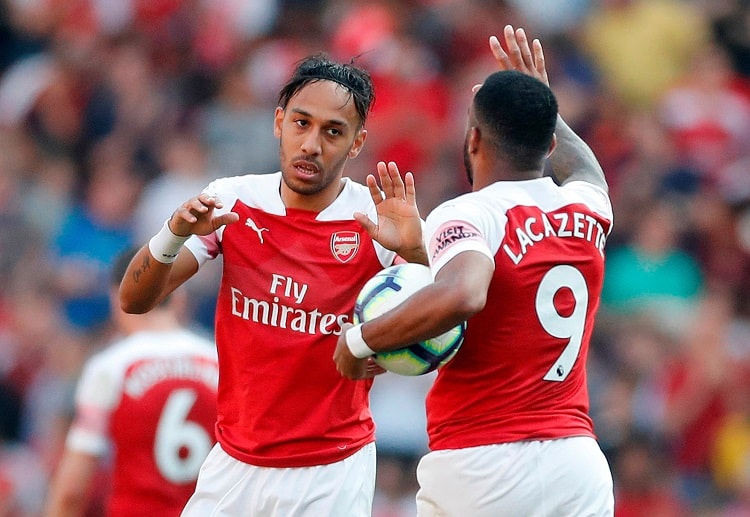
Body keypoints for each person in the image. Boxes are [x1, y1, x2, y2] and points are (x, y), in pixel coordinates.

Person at [118, 53, 425, 516]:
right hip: (233, 462)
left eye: (333, 132)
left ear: (357, 143)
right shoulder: (233, 200)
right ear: (279, 122)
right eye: (302, 123)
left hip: (331, 469)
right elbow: (134, 300)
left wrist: (415, 258)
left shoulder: (376, 221)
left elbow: (444, 320)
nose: (312, 144)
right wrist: (173, 233)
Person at [334, 25, 615, 516]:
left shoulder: (469, 212)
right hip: (577, 463)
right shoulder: (589, 208)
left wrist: (360, 340)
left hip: (483, 460)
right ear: (550, 143)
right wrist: (543, 103)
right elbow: (586, 170)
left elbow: (465, 294)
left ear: (474, 139)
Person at [44, 247, 219, 517]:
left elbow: (71, 491)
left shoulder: (110, 367)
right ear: (179, 296)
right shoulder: (218, 362)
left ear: (117, 296)